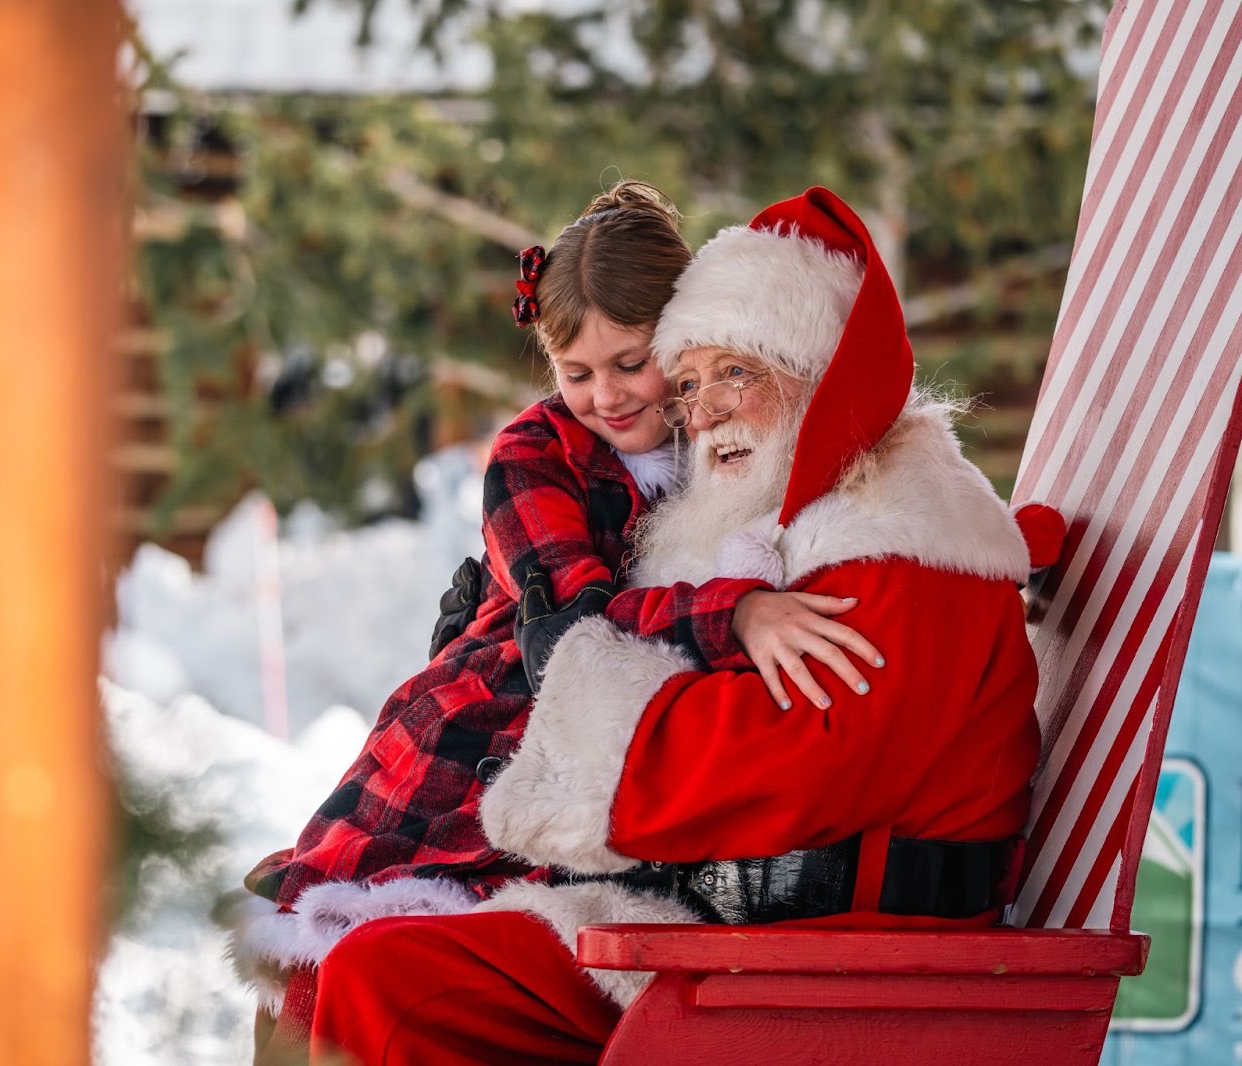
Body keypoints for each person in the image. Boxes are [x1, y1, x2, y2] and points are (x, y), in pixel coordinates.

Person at [303, 187, 1056, 1065]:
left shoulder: (897, 536)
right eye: (690, 384)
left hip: (840, 966)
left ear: (818, 365)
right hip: (734, 937)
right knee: (371, 974)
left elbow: (789, 760)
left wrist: (593, 735)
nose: (703, 413)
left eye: (735, 372)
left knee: (390, 988)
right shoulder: (793, 523)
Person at [231, 183, 886, 1051]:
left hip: (592, 773)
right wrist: (736, 614)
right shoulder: (534, 456)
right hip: (475, 753)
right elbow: (574, 626)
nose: (606, 397)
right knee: (350, 974)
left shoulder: (724, 445)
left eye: (631, 364)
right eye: (576, 373)